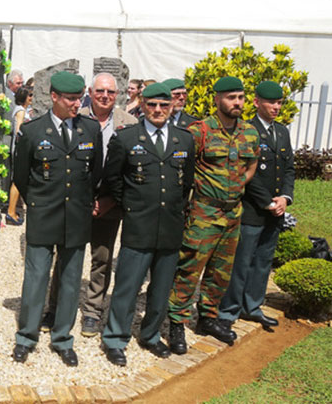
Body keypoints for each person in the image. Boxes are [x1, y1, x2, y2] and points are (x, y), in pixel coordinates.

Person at [100, 83, 195, 366]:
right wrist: (132, 206)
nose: (157, 110)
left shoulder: (184, 140)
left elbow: (186, 182)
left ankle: (151, 334)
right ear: (142, 105)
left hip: (170, 226)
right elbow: (113, 180)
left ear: (171, 108)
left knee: (161, 287)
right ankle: (115, 338)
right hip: (139, 224)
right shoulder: (127, 138)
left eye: (163, 106)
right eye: (152, 105)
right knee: (127, 286)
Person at [11, 71, 102, 366]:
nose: (78, 103)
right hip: (44, 214)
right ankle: (26, 336)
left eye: (79, 98)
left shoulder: (90, 130)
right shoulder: (33, 131)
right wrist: (38, 204)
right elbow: (21, 176)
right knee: (36, 278)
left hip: (76, 215)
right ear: (54, 97)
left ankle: (63, 338)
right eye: (71, 99)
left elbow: (94, 173)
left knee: (71, 279)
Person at [167, 76, 259, 352]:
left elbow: (252, 162)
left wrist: (239, 184)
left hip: (233, 215)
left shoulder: (250, 132)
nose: (237, 103)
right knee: (190, 268)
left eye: (241, 98)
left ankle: (208, 318)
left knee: (221, 271)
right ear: (217, 99)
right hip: (204, 213)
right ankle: (176, 323)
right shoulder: (199, 131)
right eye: (232, 98)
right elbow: (183, 167)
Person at [44, 73, 137, 337]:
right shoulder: (74, 114)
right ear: (90, 92)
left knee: (102, 258)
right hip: (74, 202)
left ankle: (93, 312)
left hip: (109, 202)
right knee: (65, 258)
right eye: (100, 91)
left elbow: (131, 170)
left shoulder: (128, 123)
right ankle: (56, 308)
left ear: (117, 94)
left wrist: (109, 200)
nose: (105, 96)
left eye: (110, 92)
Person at [218, 81, 294, 331]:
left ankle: (252, 306)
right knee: (241, 261)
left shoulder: (281, 131)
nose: (276, 107)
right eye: (271, 102)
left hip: (275, 211)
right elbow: (245, 173)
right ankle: (229, 311)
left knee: (263, 261)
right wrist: (267, 202)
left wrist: (285, 198)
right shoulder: (246, 131)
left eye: (279, 102)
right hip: (252, 209)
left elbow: (289, 169)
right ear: (256, 102)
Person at [5, 86, 33, 225]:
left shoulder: (21, 109)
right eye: (30, 95)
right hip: (19, 147)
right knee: (17, 180)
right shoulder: (21, 111)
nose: (31, 98)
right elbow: (19, 131)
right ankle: (11, 211)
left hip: (18, 147)